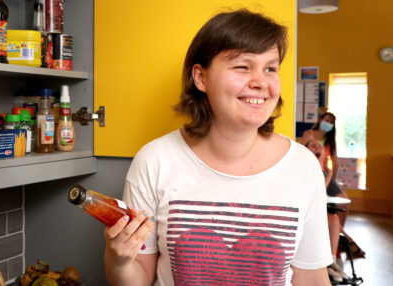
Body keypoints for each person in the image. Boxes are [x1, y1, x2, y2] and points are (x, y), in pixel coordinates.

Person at [104, 9, 332, 286]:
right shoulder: (155, 160)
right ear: (200, 78)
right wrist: (118, 259)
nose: (261, 82)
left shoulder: (302, 166)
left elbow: (311, 278)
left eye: (270, 68)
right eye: (242, 66)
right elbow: (136, 278)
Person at [301, 113, 366, 258]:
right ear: (320, 120)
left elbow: (335, 162)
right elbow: (301, 152)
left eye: (331, 122)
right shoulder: (309, 134)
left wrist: (334, 182)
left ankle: (339, 238)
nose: (327, 123)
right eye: (326, 120)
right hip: (312, 173)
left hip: (325, 174)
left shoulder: (328, 141)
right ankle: (347, 239)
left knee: (343, 202)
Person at [306, 139, 350, 282]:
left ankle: (330, 261)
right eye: (313, 146)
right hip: (307, 211)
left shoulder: (324, 172)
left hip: (320, 209)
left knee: (334, 218)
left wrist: (329, 173)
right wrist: (329, 174)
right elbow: (318, 192)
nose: (317, 148)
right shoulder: (305, 168)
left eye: (319, 146)